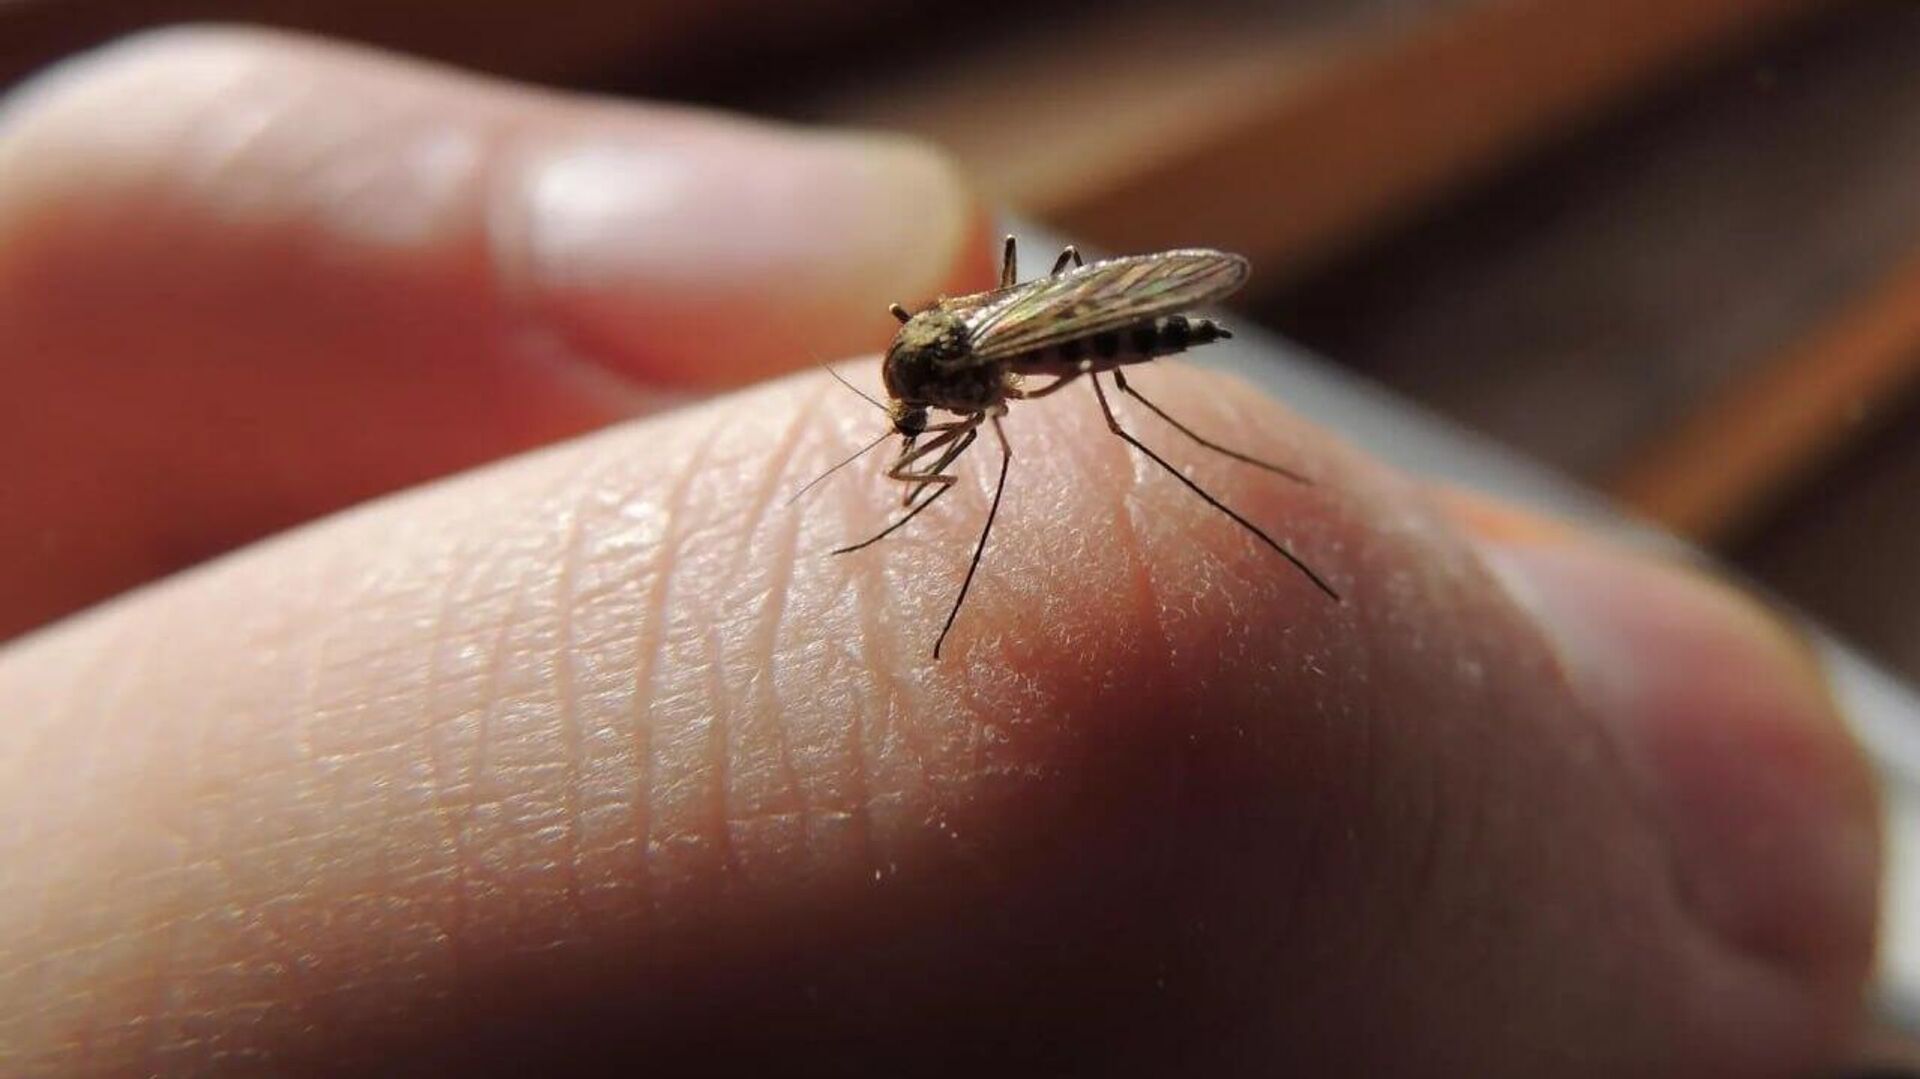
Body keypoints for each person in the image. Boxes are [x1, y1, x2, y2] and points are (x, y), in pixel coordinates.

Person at [0, 27, 1885, 1076]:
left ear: (937, 366)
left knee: (1123, 448)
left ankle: (1218, 478)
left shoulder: (976, 357)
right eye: (923, 398)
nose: (917, 418)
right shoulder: (946, 357)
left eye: (920, 398)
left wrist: (991, 409)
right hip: (1044, 317)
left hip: (1104, 329)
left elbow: (1012, 377)